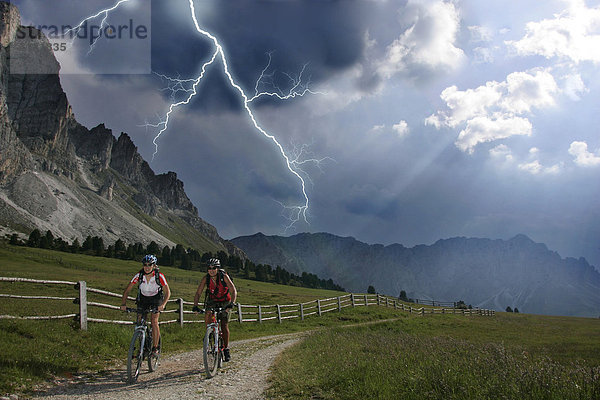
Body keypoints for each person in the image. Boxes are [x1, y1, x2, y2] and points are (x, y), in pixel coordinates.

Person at [120, 254, 171, 356]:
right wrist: (123, 304)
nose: (147, 267)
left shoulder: (159, 276)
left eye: (149, 265)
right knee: (139, 321)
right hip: (143, 299)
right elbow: (127, 290)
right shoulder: (139, 275)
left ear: (154, 265)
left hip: (156, 299)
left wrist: (163, 305)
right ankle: (142, 345)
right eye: (145, 265)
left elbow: (168, 292)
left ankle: (155, 348)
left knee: (154, 321)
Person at [193, 258, 237, 362]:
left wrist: (232, 304)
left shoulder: (224, 276)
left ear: (218, 268)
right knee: (208, 314)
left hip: (225, 301)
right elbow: (198, 293)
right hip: (212, 300)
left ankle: (226, 348)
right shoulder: (206, 278)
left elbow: (233, 290)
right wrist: (195, 305)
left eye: (214, 268)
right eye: (209, 268)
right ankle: (209, 333)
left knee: (224, 324)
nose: (211, 270)